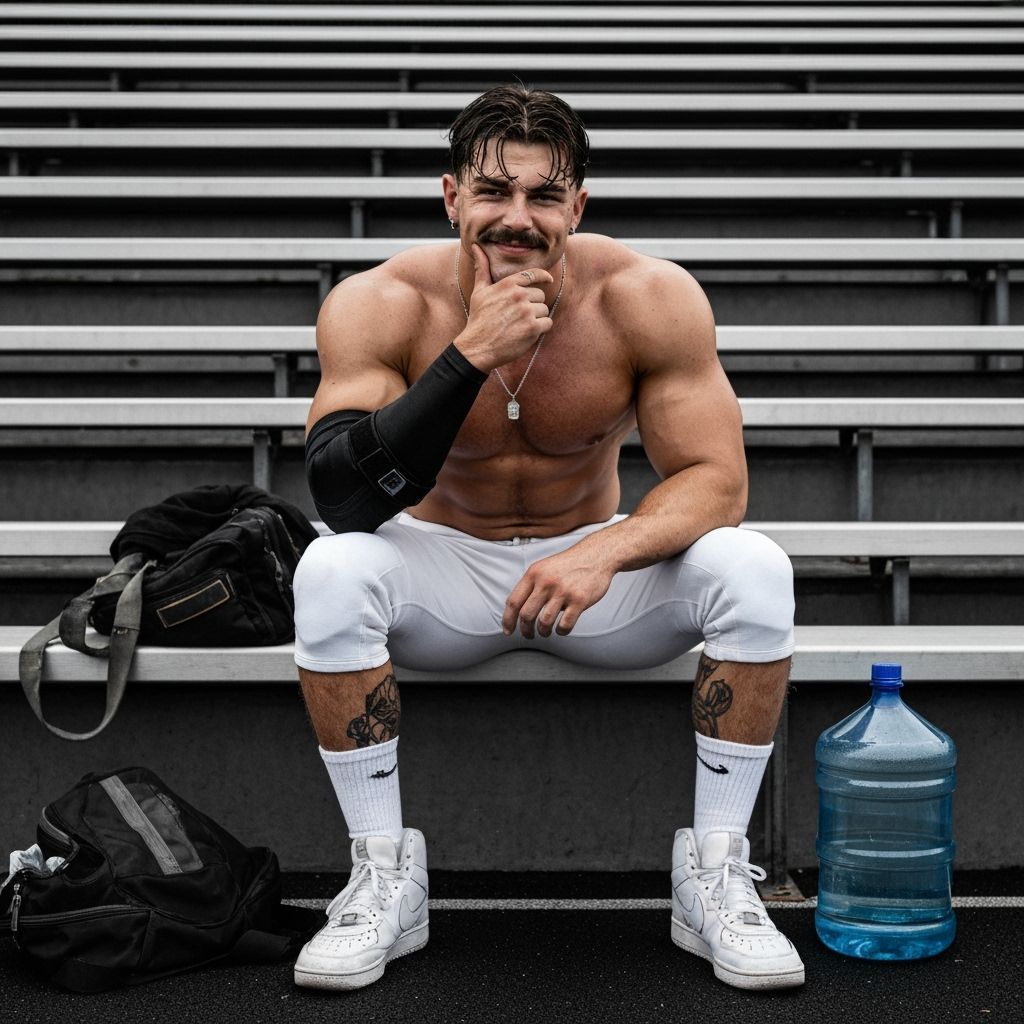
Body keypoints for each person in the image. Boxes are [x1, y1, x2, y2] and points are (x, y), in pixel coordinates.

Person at [290, 85, 804, 993]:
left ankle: (716, 872)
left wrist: (604, 550)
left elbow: (716, 480)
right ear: (451, 196)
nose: (516, 218)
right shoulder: (381, 302)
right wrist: (469, 356)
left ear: (578, 206)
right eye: (493, 192)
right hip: (441, 571)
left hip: (591, 578)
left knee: (755, 567)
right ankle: (381, 873)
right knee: (330, 570)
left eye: (542, 195)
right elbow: (341, 495)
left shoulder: (647, 295)